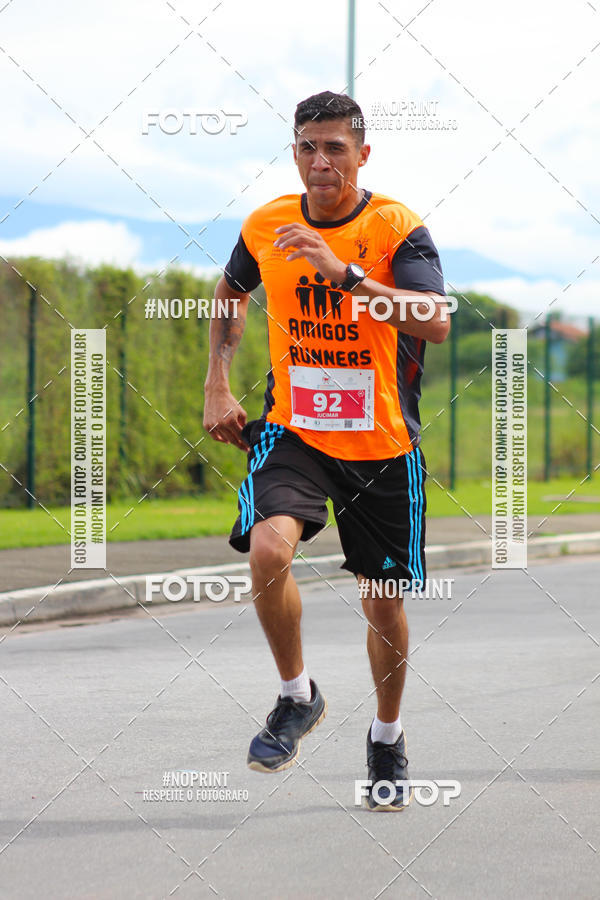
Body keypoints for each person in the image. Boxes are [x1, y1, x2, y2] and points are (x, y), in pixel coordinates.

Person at [203, 90, 449, 811]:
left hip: (381, 444)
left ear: (362, 154)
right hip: (295, 432)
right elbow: (229, 291)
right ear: (294, 154)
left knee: (383, 605)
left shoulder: (395, 227)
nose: (320, 161)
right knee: (267, 552)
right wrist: (217, 383)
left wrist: (346, 275)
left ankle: (386, 737)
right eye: (307, 146)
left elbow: (433, 320)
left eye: (335, 147)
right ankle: (296, 696)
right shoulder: (268, 222)